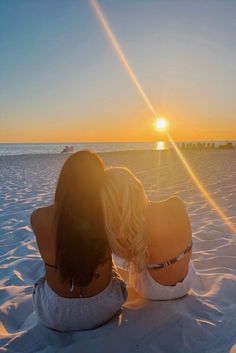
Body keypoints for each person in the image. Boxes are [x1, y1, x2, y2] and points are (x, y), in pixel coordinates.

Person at [30, 151, 127, 331]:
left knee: (43, 275)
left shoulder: (38, 217)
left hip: (56, 315)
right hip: (105, 308)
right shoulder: (110, 215)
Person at [101, 167, 195, 300]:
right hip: (187, 283)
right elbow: (189, 248)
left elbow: (129, 259)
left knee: (131, 265)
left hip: (153, 292)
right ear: (136, 185)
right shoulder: (176, 204)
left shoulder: (127, 229)